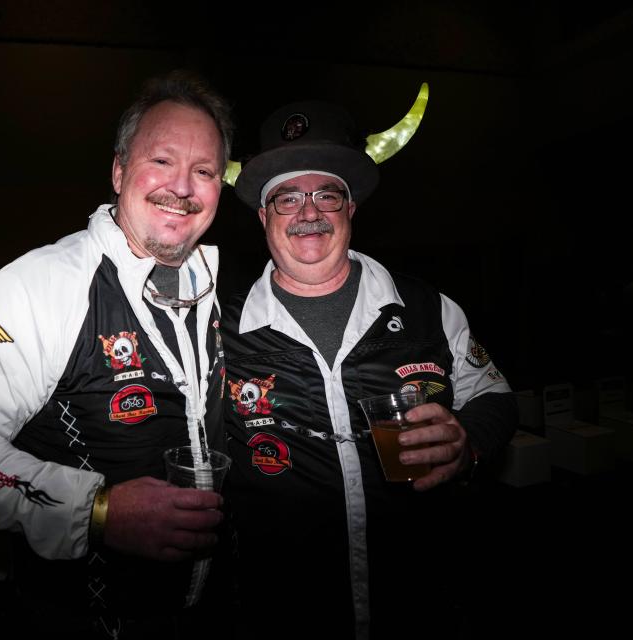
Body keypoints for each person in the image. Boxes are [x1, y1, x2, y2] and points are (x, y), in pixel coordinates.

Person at [0, 70, 233, 637]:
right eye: (161, 161)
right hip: (81, 617)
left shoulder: (222, 289)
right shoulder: (41, 284)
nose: (182, 187)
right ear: (118, 170)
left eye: (203, 170)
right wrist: (98, 509)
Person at [221, 98, 518, 639]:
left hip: (422, 600)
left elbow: (495, 395)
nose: (309, 213)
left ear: (350, 207)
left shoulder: (428, 308)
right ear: (263, 216)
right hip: (281, 610)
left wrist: (468, 441)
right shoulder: (222, 331)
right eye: (287, 197)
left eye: (326, 194)